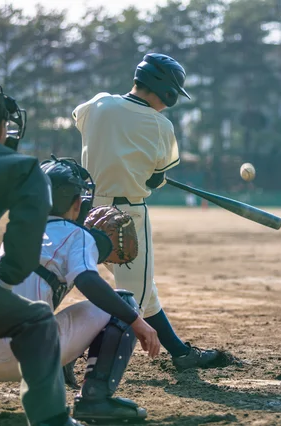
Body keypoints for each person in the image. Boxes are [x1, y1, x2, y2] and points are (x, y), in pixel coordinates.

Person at [0, 157, 160, 422]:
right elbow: (88, 282)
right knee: (124, 302)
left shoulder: (20, 232)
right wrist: (137, 321)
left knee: (13, 306)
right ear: (76, 204)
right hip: (25, 358)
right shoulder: (75, 235)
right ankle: (96, 398)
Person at [72, 53, 219, 371]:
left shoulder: (99, 103)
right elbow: (155, 178)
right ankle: (92, 378)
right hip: (127, 216)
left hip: (87, 210)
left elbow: (80, 120)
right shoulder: (160, 125)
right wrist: (149, 173)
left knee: (139, 288)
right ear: (165, 89)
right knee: (130, 301)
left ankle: (180, 353)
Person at [0, 71, 79, 425]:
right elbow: (21, 248)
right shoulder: (20, 167)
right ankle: (51, 421)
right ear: (2, 128)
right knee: (35, 320)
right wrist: (3, 284)